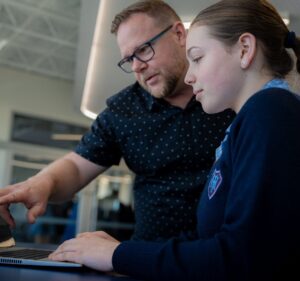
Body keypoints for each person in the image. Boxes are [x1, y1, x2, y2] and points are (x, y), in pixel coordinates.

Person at [48, 1, 300, 280]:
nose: (190, 77)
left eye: (198, 58)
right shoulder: (251, 120)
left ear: (244, 49)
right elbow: (215, 238)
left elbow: (243, 257)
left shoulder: (270, 113)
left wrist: (117, 255)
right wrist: (120, 252)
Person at [0, 0, 234, 242]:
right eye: (129, 59)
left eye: (143, 49)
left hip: (232, 255)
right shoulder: (123, 112)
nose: (137, 67)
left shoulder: (229, 88)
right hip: (150, 259)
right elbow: (78, 166)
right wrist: (42, 183)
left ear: (179, 34)